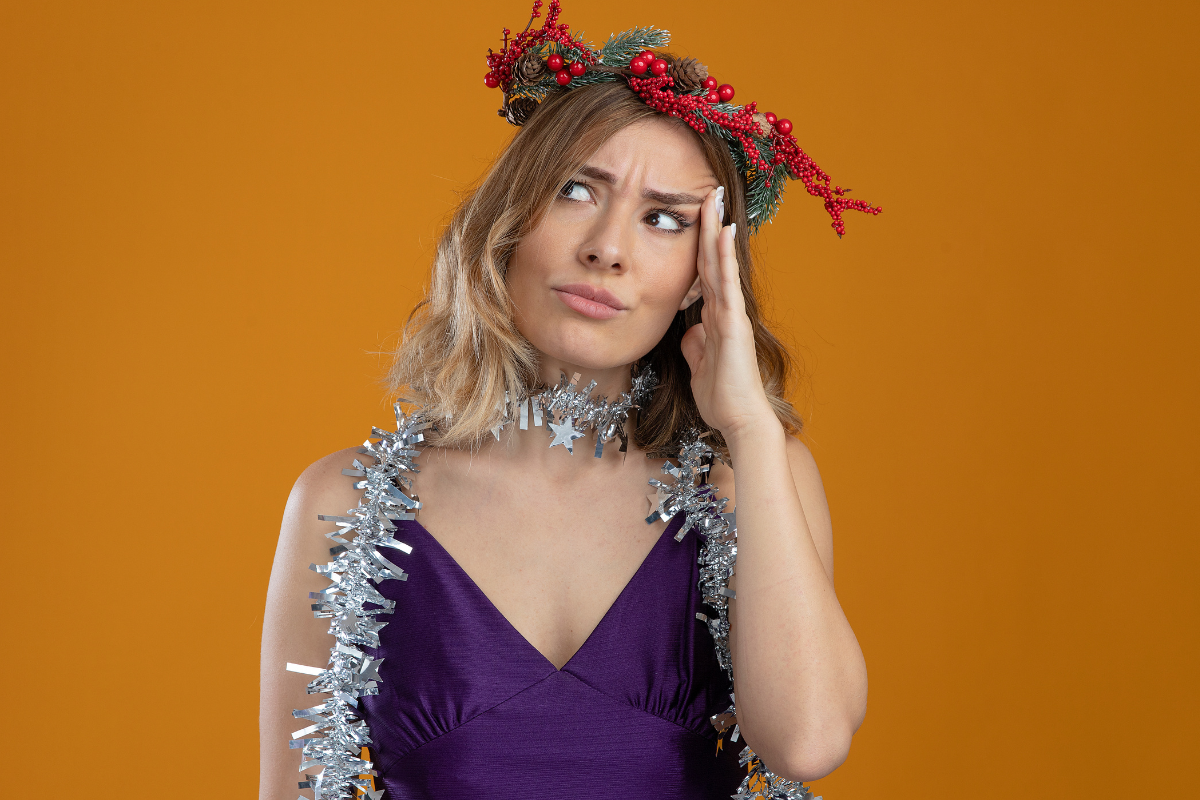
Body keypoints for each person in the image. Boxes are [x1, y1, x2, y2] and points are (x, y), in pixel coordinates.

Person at [260, 3, 876, 798]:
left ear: (702, 277)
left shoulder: (752, 478)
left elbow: (809, 742)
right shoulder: (345, 505)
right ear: (511, 216)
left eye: (664, 219)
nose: (607, 249)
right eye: (577, 190)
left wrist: (751, 428)